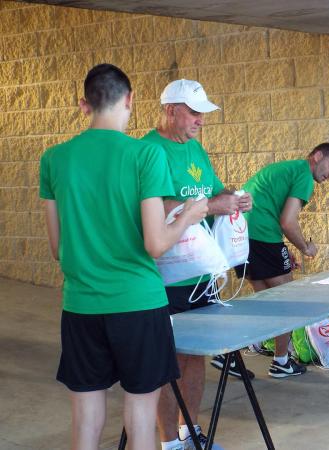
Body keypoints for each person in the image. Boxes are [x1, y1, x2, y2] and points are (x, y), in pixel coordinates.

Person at [39, 64, 208, 450]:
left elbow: (57, 248)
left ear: (84, 104)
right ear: (130, 100)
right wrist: (189, 216)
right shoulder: (145, 155)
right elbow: (155, 244)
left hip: (80, 305)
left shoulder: (54, 159)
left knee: (84, 417)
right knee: (140, 416)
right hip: (138, 303)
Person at [143, 79, 252, 450]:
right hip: (166, 278)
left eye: (203, 114)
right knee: (169, 362)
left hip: (201, 276)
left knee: (194, 358)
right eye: (193, 112)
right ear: (170, 109)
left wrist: (234, 198)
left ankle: (189, 431)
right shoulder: (147, 151)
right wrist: (212, 206)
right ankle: (169, 442)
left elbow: (213, 193)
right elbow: (157, 207)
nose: (200, 121)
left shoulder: (196, 151)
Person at [233, 142, 329, 378]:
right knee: (288, 301)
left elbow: (272, 209)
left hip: (241, 236)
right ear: (317, 155)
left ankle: (229, 353)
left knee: (265, 304)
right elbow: (287, 221)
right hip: (262, 236)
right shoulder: (304, 175)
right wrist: (305, 247)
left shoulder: (289, 169)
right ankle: (281, 361)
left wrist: (283, 249)